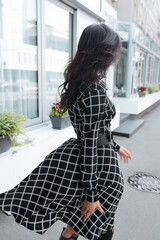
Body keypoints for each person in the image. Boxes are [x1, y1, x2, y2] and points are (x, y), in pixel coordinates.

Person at [0, 23, 132, 240]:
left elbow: (95, 131)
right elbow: (90, 144)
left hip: (94, 164)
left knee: (81, 225)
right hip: (100, 171)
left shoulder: (81, 82)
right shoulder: (94, 90)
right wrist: (91, 194)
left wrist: (116, 146)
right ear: (104, 52)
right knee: (99, 224)